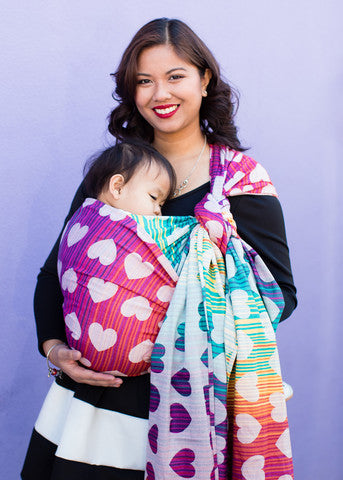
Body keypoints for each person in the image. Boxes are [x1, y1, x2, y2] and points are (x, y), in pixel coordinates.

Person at [22, 18, 297, 480]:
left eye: (175, 77)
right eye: (144, 81)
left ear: (204, 79)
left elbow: (280, 297)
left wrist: (190, 294)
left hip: (188, 407)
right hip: (89, 407)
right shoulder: (119, 171)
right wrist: (53, 349)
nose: (159, 94)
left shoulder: (240, 182)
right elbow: (57, 272)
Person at [57, 140, 188, 375]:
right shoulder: (87, 221)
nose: (159, 211)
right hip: (82, 373)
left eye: (162, 203)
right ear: (117, 187)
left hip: (136, 386)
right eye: (153, 197)